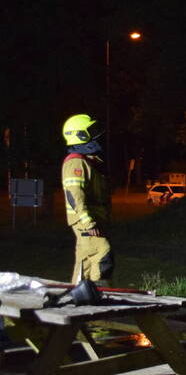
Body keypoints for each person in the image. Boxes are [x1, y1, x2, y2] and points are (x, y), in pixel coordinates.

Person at [61, 114, 114, 283]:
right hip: (85, 222)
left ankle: (79, 293)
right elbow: (74, 195)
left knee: (85, 262)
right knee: (103, 252)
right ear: (80, 135)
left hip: (94, 220)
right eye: (91, 131)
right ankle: (100, 293)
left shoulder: (89, 161)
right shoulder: (76, 163)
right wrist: (88, 222)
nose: (97, 135)